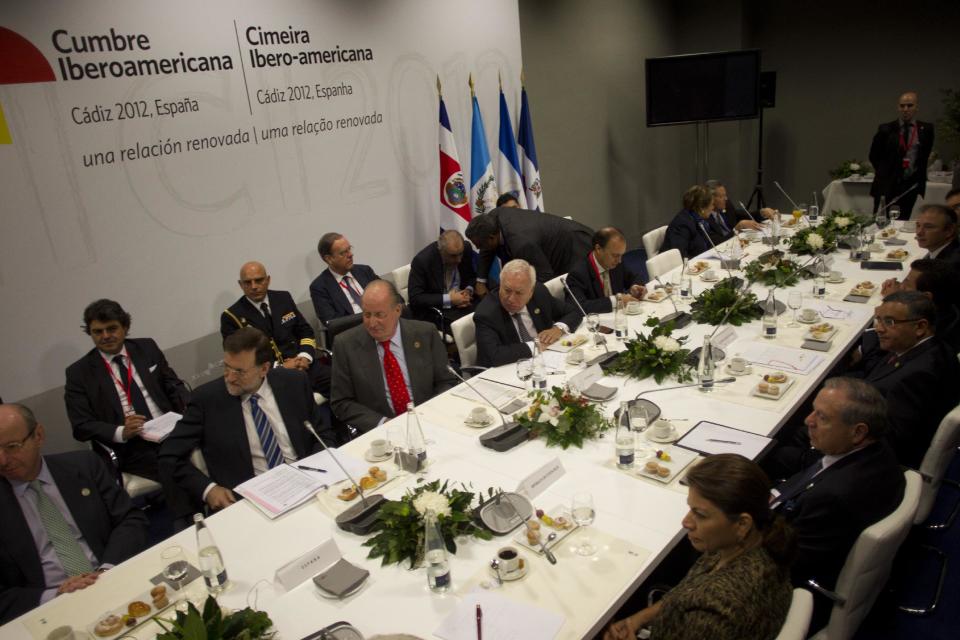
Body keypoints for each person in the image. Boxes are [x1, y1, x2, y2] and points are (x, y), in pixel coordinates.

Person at [604, 454, 795, 640]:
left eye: (700, 514)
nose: (686, 522)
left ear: (742, 524)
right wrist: (638, 619)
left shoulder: (714, 615)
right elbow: (685, 595)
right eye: (690, 509)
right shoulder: (757, 540)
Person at [771, 378, 904, 633]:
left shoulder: (835, 496)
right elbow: (816, 470)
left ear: (858, 432)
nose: (808, 421)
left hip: (791, 592)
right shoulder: (874, 451)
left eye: (822, 417)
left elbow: (783, 561)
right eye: (813, 410)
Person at [0, 403, 149, 624]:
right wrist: (55, 594)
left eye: (12, 447)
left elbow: (131, 519)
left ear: (38, 436)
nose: (2, 460)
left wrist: (106, 569)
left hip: (112, 578)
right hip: (49, 612)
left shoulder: (83, 466)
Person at [159, 327, 333, 514]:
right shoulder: (207, 400)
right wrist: (208, 489)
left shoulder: (294, 382)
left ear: (264, 368)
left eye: (239, 372)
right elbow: (169, 455)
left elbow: (323, 434)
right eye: (226, 367)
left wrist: (313, 472)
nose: (230, 378)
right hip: (249, 500)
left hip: (306, 483)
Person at [64, 299, 189, 483]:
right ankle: (199, 508)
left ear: (125, 327)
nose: (105, 336)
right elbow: (81, 426)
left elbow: (173, 385)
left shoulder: (146, 347)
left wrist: (190, 410)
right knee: (171, 464)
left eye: (111, 329)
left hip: (170, 429)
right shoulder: (79, 373)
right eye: (98, 332)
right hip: (132, 446)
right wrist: (121, 432)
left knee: (217, 438)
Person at [848, 291, 960, 468]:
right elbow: (880, 373)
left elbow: (892, 440)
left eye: (889, 322)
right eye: (878, 320)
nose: (879, 328)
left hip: (863, 455)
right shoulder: (927, 348)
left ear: (920, 327)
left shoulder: (918, 375)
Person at [330, 280, 458, 432]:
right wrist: (382, 423)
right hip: (383, 432)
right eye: (367, 315)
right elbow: (341, 402)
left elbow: (446, 381)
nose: (372, 323)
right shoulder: (345, 344)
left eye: (379, 315)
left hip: (430, 420)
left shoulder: (425, 333)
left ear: (397, 310)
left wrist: (429, 412)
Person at [221, 261, 331, 397]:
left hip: (303, 365)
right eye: (248, 282)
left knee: (341, 383)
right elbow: (241, 359)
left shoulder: (283, 298)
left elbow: (305, 331)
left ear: (268, 280)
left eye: (259, 280)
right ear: (240, 284)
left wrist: (304, 357)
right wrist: (280, 368)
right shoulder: (232, 316)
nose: (254, 286)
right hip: (269, 378)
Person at [474, 259, 583, 367]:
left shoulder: (539, 293)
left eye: (519, 293)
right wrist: (536, 346)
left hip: (548, 362)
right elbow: (493, 356)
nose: (511, 299)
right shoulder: (486, 314)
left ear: (531, 292)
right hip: (510, 369)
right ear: (500, 285)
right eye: (507, 290)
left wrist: (558, 329)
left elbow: (574, 312)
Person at [465, 207, 594, 294]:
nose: (478, 249)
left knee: (581, 291)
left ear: (492, 238)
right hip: (553, 248)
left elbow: (545, 277)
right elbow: (487, 249)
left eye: (480, 245)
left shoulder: (521, 243)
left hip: (576, 248)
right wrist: (480, 281)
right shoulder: (492, 219)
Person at [869, 91, 934, 215]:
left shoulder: (926, 129)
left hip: (910, 185)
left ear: (916, 107)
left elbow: (925, 154)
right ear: (898, 107)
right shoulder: (886, 129)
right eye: (902, 106)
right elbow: (873, 156)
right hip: (887, 183)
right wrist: (885, 172)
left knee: (903, 219)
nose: (905, 109)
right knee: (881, 221)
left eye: (910, 105)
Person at [880, 258, 960, 350]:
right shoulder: (947, 310)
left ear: (926, 296)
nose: (901, 286)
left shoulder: (916, 329)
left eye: (907, 284)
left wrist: (893, 300)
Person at [565, 227, 647, 313]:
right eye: (615, 255)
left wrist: (636, 287)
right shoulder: (578, 274)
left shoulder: (616, 263)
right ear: (598, 249)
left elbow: (636, 276)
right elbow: (578, 306)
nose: (619, 261)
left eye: (621, 255)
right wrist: (616, 300)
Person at [407, 230, 476, 329]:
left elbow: (471, 277)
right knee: (468, 328)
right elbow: (415, 298)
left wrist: (468, 291)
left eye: (460, 254)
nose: (459, 260)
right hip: (437, 309)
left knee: (484, 317)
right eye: (453, 256)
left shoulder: (465, 248)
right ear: (441, 251)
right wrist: (450, 299)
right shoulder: (423, 261)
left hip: (462, 304)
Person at [309, 232, 380, 326]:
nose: (350, 255)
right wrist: (368, 318)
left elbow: (392, 296)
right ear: (329, 259)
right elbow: (333, 324)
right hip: (354, 333)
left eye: (349, 249)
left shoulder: (365, 271)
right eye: (343, 253)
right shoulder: (320, 288)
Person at [658, 185, 715, 259]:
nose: (713, 208)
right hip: (676, 267)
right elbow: (680, 256)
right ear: (701, 208)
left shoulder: (700, 220)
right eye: (712, 205)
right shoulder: (682, 224)